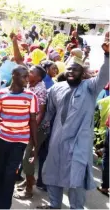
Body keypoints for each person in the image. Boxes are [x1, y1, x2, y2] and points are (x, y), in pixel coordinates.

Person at [37, 34, 109, 209]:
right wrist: (42, 130)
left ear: (82, 74)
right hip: (57, 139)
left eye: (75, 70)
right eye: (69, 69)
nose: (71, 72)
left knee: (76, 178)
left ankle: (76, 208)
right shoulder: (56, 88)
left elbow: (104, 76)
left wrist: (107, 57)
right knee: (53, 172)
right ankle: (54, 205)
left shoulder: (90, 87)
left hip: (79, 142)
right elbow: (50, 112)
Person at [0, 66, 39, 209]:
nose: (27, 80)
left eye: (28, 76)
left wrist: (34, 145)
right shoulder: (1, 94)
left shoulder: (31, 96)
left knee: (9, 176)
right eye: (24, 76)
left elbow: (33, 120)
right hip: (2, 140)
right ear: (14, 76)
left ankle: (4, 207)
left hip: (19, 142)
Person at [15, 65, 47, 199]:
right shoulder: (30, 85)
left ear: (38, 77)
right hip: (29, 127)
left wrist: (31, 133)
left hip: (37, 129)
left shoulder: (40, 90)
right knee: (27, 157)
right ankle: (29, 179)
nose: (29, 73)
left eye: (32, 72)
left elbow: (40, 113)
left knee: (28, 158)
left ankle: (29, 190)